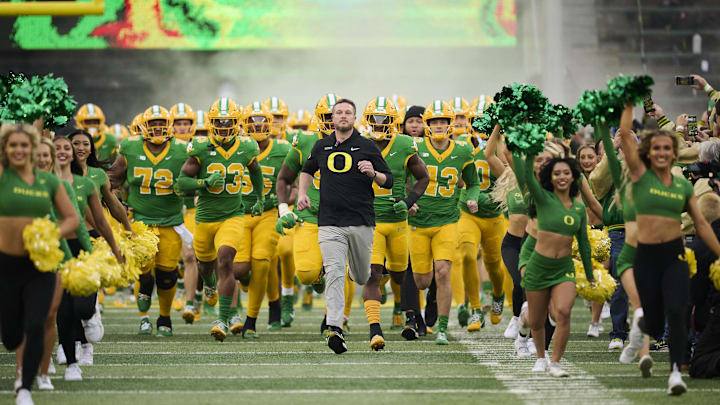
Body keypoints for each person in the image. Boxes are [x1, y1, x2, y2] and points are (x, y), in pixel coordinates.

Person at [617, 103, 720, 395]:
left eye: (667, 149)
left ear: (673, 153)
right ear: (649, 153)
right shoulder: (639, 177)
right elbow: (625, 134)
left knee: (677, 311)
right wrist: (627, 103)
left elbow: (701, 225)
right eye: (657, 149)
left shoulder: (683, 186)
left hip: (674, 256)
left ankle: (675, 372)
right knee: (654, 317)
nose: (662, 153)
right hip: (646, 257)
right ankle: (640, 330)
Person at [298, 98, 393, 354]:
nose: (342, 116)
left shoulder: (367, 145)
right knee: (334, 275)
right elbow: (306, 170)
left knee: (361, 276)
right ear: (332, 117)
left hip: (361, 221)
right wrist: (302, 194)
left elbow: (389, 181)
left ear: (354, 118)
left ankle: (354, 273)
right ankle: (335, 328)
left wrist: (373, 173)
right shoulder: (321, 146)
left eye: (347, 112)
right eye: (338, 112)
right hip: (329, 222)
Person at [0, 123, 79, 405]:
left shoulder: (49, 182)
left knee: (36, 323)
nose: (19, 150)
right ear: (5, 150)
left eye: (25, 145)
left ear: (34, 149)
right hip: (6, 265)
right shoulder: (2, 176)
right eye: (13, 145)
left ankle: (25, 388)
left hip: (40, 266)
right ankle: (17, 355)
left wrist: (51, 233)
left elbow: (72, 218)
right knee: (10, 335)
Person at [176, 97, 265, 342]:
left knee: (226, 260)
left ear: (237, 123)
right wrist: (203, 183)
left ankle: (223, 319)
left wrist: (259, 197)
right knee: (205, 265)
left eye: (228, 122)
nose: (224, 126)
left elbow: (255, 171)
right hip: (204, 217)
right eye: (219, 122)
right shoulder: (201, 148)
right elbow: (181, 183)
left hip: (232, 215)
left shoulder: (246, 147)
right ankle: (209, 285)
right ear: (211, 123)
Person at [511, 133, 595, 377]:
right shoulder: (543, 198)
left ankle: (555, 363)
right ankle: (540, 356)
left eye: (566, 173)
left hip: (564, 269)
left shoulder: (579, 208)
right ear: (550, 176)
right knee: (537, 319)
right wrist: (524, 144)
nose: (561, 177)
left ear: (573, 177)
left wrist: (589, 274)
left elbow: (584, 243)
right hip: (538, 266)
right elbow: (524, 173)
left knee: (563, 313)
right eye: (557, 173)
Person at [109, 105, 190, 337]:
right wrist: (117, 199)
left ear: (169, 127)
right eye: (152, 125)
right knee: (143, 271)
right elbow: (113, 179)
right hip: (141, 220)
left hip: (170, 221)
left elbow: (195, 175)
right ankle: (144, 297)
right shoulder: (130, 147)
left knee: (167, 274)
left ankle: (164, 317)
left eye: (161, 124)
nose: (157, 129)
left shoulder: (183, 149)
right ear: (143, 127)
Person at [409, 100, 480, 345]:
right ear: (427, 124)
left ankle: (441, 328)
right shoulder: (414, 147)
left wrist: (472, 199)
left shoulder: (462, 150)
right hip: (419, 220)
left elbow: (472, 183)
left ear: (450, 124)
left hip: (447, 220)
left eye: (443, 121)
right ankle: (428, 302)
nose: (439, 126)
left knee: (443, 271)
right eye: (434, 121)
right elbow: (401, 177)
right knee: (422, 280)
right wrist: (409, 200)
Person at [361, 96, 429, 348]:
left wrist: (410, 199)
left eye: (384, 120)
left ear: (393, 122)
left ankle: (407, 311)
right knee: (373, 275)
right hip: (369, 221)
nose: (379, 125)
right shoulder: (356, 144)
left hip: (399, 221)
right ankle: (375, 329)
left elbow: (423, 177)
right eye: (375, 120)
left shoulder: (403, 144)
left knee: (401, 274)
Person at [238, 101, 291, 337]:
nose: (257, 127)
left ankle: (251, 320)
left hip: (268, 213)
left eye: (262, 122)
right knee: (240, 269)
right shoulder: (235, 146)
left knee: (262, 261)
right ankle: (245, 288)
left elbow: (298, 181)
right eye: (252, 122)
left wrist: (288, 204)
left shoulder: (283, 148)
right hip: (238, 213)